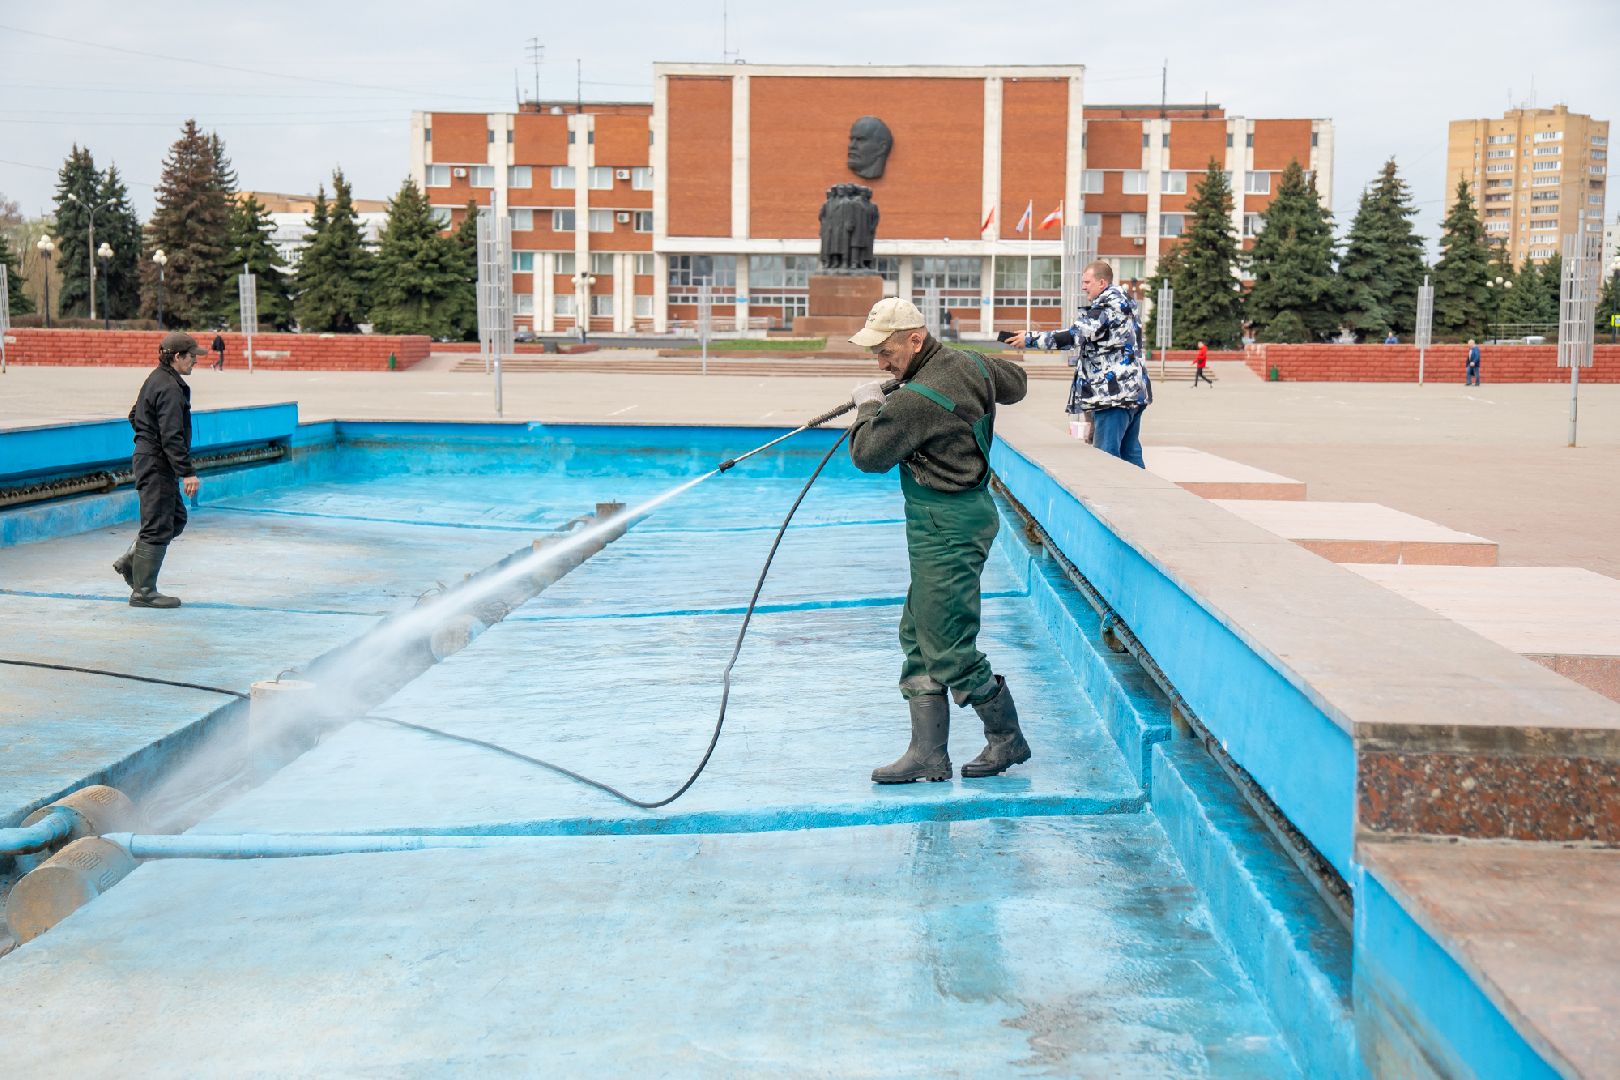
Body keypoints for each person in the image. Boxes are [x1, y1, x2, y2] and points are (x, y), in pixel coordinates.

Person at [847, 297, 1031, 784]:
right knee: (918, 635)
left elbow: (867, 455)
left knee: (947, 644)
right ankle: (928, 753)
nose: (880, 364)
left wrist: (870, 405)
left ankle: (1006, 738)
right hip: (958, 515)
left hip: (945, 524)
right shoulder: (967, 363)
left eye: (886, 352)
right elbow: (1016, 383)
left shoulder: (918, 400)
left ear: (915, 339)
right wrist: (964, 370)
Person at [998, 260, 1150, 467]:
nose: (1083, 287)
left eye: (1087, 282)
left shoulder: (1106, 307)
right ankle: (1140, 488)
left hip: (1113, 395)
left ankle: (1106, 489)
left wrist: (1030, 339)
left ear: (1102, 283)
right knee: (1130, 453)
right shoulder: (1125, 303)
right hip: (1133, 391)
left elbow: (1073, 336)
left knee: (1107, 457)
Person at [112, 332, 201, 608]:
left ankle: (132, 561)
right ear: (177, 356)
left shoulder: (156, 378)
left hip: (153, 458)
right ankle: (144, 591)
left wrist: (147, 439)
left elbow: (134, 414)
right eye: (192, 356)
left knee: (175, 519)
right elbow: (172, 436)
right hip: (156, 462)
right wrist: (187, 472)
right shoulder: (170, 387)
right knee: (157, 524)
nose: (195, 361)